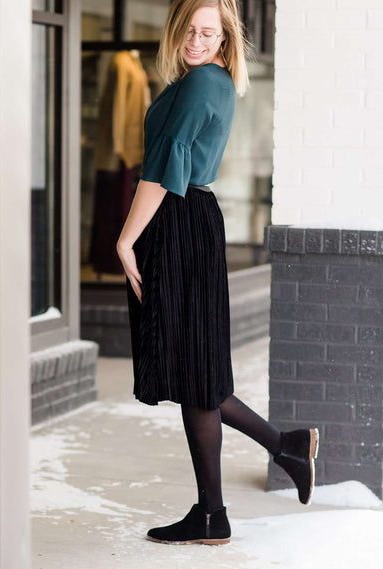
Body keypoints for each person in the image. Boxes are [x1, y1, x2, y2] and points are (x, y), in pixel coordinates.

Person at [116, 0, 319, 546]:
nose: (198, 40)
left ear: (225, 42)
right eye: (191, 29)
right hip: (188, 220)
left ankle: (230, 497)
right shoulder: (201, 81)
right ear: (176, 30)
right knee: (195, 371)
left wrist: (126, 238)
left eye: (210, 33)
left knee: (195, 372)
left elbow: (165, 167)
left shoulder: (205, 82)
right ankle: (250, 479)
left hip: (178, 220)